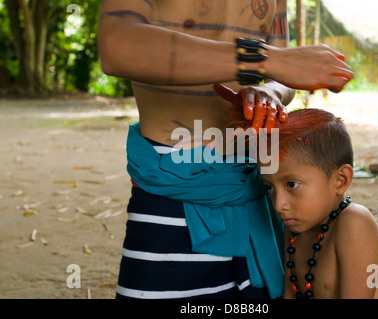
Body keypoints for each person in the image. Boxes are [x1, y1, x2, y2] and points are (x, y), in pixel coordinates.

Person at [98, 0, 353, 299]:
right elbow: (118, 45)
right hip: (174, 188)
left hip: (257, 184)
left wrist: (269, 90)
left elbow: (281, 75)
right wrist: (261, 59)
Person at [219, 103, 378, 299]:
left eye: (292, 185)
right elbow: (289, 294)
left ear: (340, 180)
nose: (279, 205)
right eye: (270, 187)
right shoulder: (294, 227)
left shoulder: (355, 224)